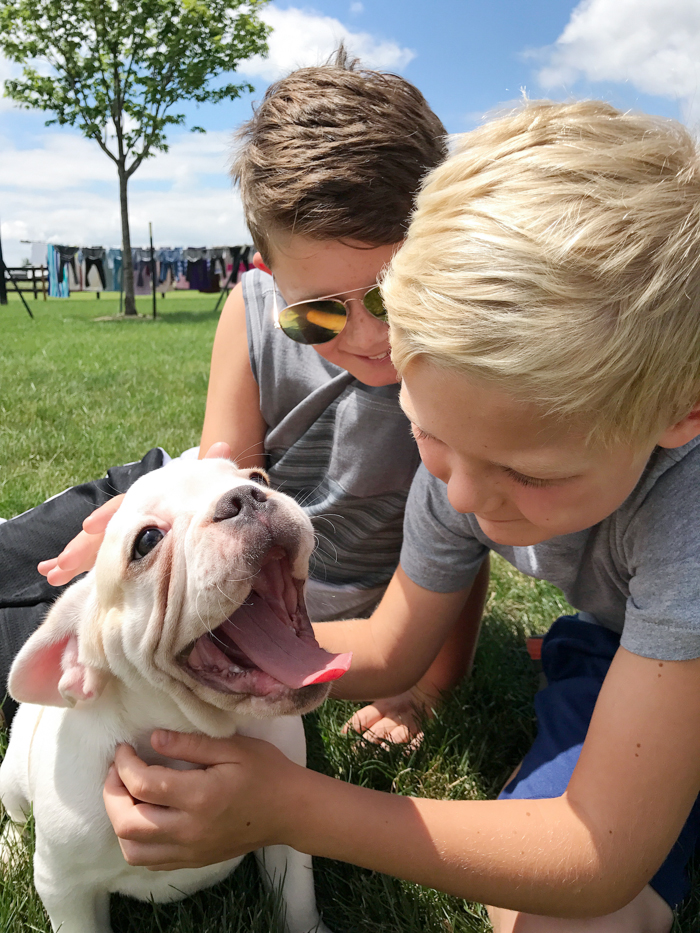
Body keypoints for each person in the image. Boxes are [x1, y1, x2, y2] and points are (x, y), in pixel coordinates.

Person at [103, 100, 700, 932]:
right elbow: (387, 648)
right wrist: (187, 647)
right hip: (627, 652)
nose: (463, 500)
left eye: (528, 473)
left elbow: (593, 853)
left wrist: (293, 806)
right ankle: (599, 668)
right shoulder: (468, 448)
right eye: (429, 438)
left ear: (683, 409)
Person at [34, 49, 488, 743]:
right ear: (270, 274)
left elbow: (471, 537)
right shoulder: (247, 311)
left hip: (344, 616)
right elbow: (225, 473)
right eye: (318, 314)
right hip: (196, 524)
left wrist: (423, 688)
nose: (370, 336)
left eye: (392, 294)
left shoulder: (468, 365)